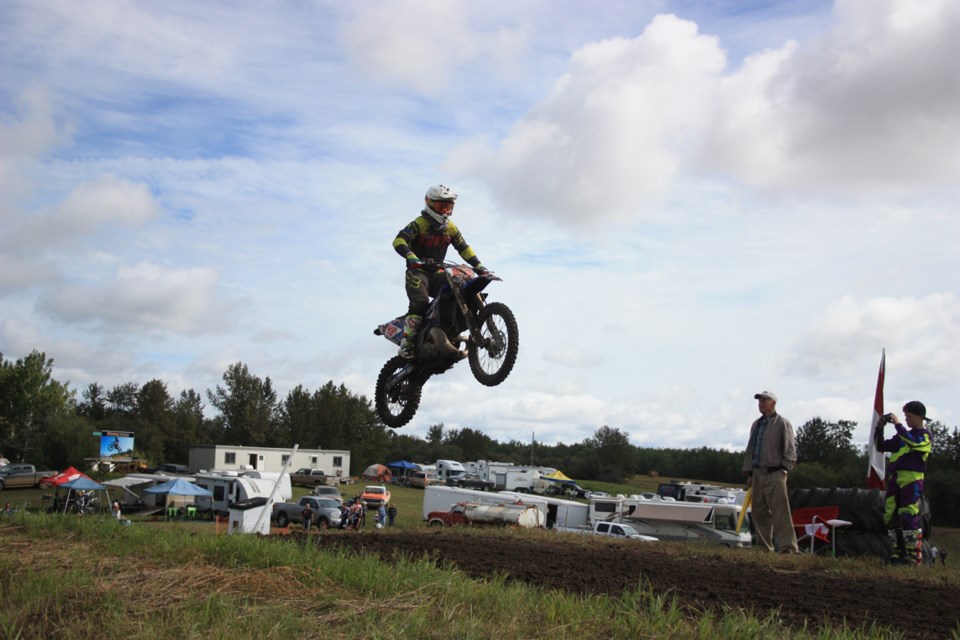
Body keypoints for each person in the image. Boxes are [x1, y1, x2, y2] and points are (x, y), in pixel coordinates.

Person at [392, 184, 489, 359]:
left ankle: (448, 328)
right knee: (419, 303)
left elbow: (463, 247)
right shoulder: (419, 224)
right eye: (441, 206)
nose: (445, 210)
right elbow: (399, 240)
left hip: (439, 272)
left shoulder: (450, 228)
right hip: (418, 271)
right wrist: (410, 256)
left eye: (449, 206)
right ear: (429, 203)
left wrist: (479, 265)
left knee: (460, 290)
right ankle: (408, 342)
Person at [875, 400, 932, 566]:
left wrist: (898, 424)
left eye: (909, 416)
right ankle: (897, 554)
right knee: (890, 515)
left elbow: (913, 442)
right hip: (895, 478)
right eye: (905, 416)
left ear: (920, 417)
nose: (906, 419)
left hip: (912, 480)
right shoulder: (901, 436)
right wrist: (879, 428)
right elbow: (881, 446)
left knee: (908, 514)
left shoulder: (925, 436)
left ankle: (914, 557)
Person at [742, 391, 799, 554]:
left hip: (775, 472)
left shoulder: (782, 423)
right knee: (759, 513)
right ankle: (763, 546)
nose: (760, 404)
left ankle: (787, 547)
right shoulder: (756, 424)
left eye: (764, 401)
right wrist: (750, 474)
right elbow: (751, 450)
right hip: (757, 472)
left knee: (780, 512)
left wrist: (784, 470)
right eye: (759, 401)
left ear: (773, 403)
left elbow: (790, 449)